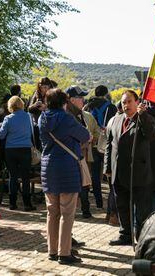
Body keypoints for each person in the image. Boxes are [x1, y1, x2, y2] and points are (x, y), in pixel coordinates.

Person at [38, 88, 90, 264]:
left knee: (52, 212)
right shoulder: (67, 118)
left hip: (48, 167)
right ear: (64, 103)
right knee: (67, 213)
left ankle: (52, 250)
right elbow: (86, 135)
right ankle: (64, 252)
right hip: (67, 167)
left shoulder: (41, 118)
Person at [104, 90, 155, 245]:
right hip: (118, 173)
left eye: (129, 102)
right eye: (123, 102)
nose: (126, 105)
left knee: (141, 211)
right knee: (122, 207)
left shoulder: (144, 119)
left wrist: (144, 116)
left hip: (138, 174)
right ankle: (125, 234)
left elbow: (151, 135)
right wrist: (107, 167)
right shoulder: (115, 120)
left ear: (137, 102)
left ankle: (141, 239)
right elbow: (109, 144)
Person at [65, 85, 100, 218]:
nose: (83, 100)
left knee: (84, 183)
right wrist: (88, 138)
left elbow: (94, 133)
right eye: (80, 98)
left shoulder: (82, 114)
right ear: (72, 100)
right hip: (73, 156)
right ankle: (78, 213)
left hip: (82, 155)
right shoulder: (68, 116)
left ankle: (85, 210)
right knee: (76, 186)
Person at [83, 85, 117, 209]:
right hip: (107, 144)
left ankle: (98, 202)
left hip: (91, 143)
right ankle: (110, 204)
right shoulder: (111, 107)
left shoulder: (86, 106)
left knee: (95, 175)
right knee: (109, 174)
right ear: (106, 93)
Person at [0, 96, 35, 211]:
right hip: (25, 149)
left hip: (11, 150)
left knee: (13, 177)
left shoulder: (8, 118)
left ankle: (12, 203)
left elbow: (1, 135)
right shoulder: (28, 117)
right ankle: (27, 204)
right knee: (25, 177)